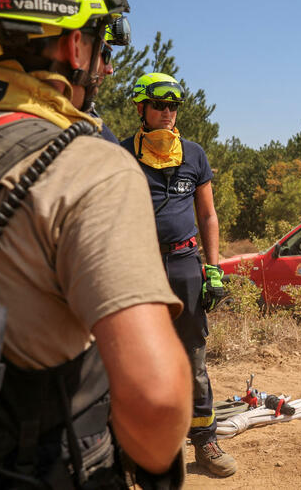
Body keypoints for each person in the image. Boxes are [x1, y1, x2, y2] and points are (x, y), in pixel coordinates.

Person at [0, 0, 191, 485]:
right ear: (75, 44)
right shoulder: (89, 166)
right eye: (100, 41)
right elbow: (156, 403)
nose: (106, 62)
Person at [120, 72, 235, 478]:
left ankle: (205, 441)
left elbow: (207, 214)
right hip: (141, 267)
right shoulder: (123, 155)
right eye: (159, 105)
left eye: (173, 106)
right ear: (141, 109)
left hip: (186, 265)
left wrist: (214, 268)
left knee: (193, 357)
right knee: (137, 359)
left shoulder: (193, 154)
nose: (168, 113)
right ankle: (140, 450)